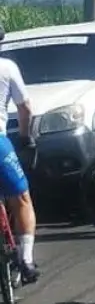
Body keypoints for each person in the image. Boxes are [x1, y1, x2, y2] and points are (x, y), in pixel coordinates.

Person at [0, 25, 38, 283]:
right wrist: (25, 137)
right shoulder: (7, 67)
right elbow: (24, 108)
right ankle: (26, 259)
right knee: (21, 198)